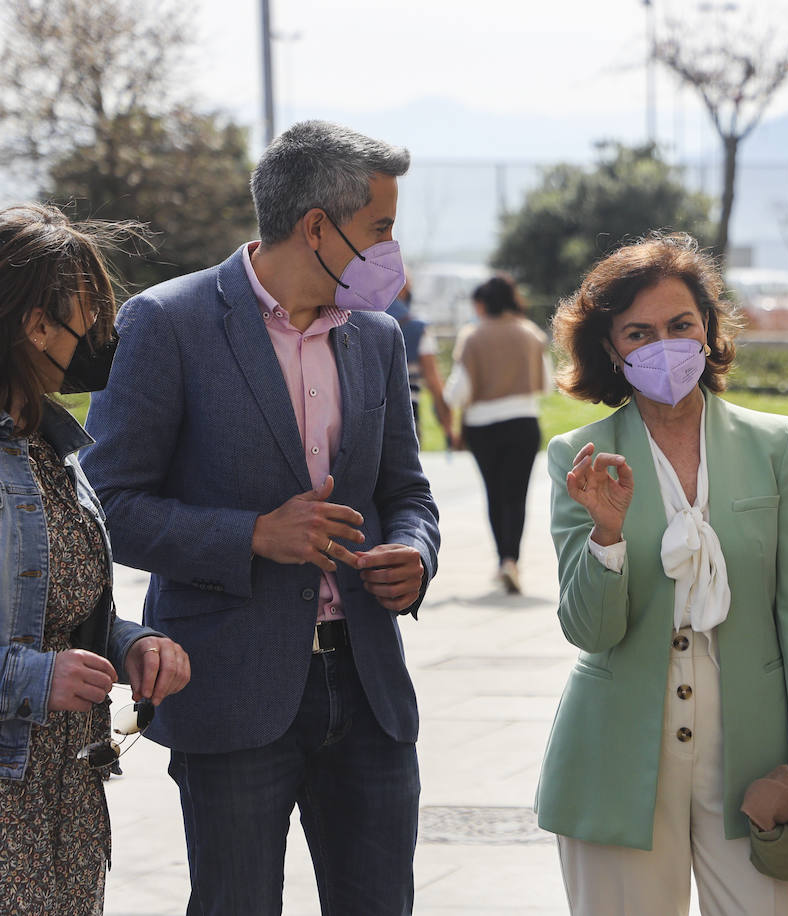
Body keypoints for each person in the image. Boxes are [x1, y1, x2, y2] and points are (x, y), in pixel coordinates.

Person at [82, 121, 440, 916]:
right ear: (318, 226)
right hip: (229, 692)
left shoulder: (376, 338)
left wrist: (414, 552)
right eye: (379, 227)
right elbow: (104, 506)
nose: (390, 248)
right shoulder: (166, 323)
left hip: (370, 688)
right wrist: (250, 535)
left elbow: (406, 492)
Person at [535, 233, 788, 916]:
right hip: (616, 759)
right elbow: (589, 628)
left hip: (754, 760)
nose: (665, 344)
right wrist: (608, 534)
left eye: (681, 325)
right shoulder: (577, 458)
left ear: (708, 328)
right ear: (611, 350)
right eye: (639, 332)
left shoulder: (774, 445)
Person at [0, 204, 190, 913]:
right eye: (91, 315)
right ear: (35, 324)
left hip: (67, 797)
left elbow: (60, 602)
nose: (103, 337)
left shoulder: (51, 443)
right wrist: (34, 676)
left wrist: (133, 641)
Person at [443, 273, 550, 594]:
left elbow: (456, 393)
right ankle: (511, 561)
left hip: (483, 427)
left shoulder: (472, 337)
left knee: (494, 494)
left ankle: (502, 557)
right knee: (517, 496)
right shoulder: (531, 334)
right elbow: (545, 383)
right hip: (523, 422)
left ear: (482, 304)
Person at [386, 279, 453, 447]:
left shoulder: (357, 322)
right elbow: (434, 382)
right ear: (403, 290)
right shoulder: (417, 328)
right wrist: (448, 427)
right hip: (405, 419)